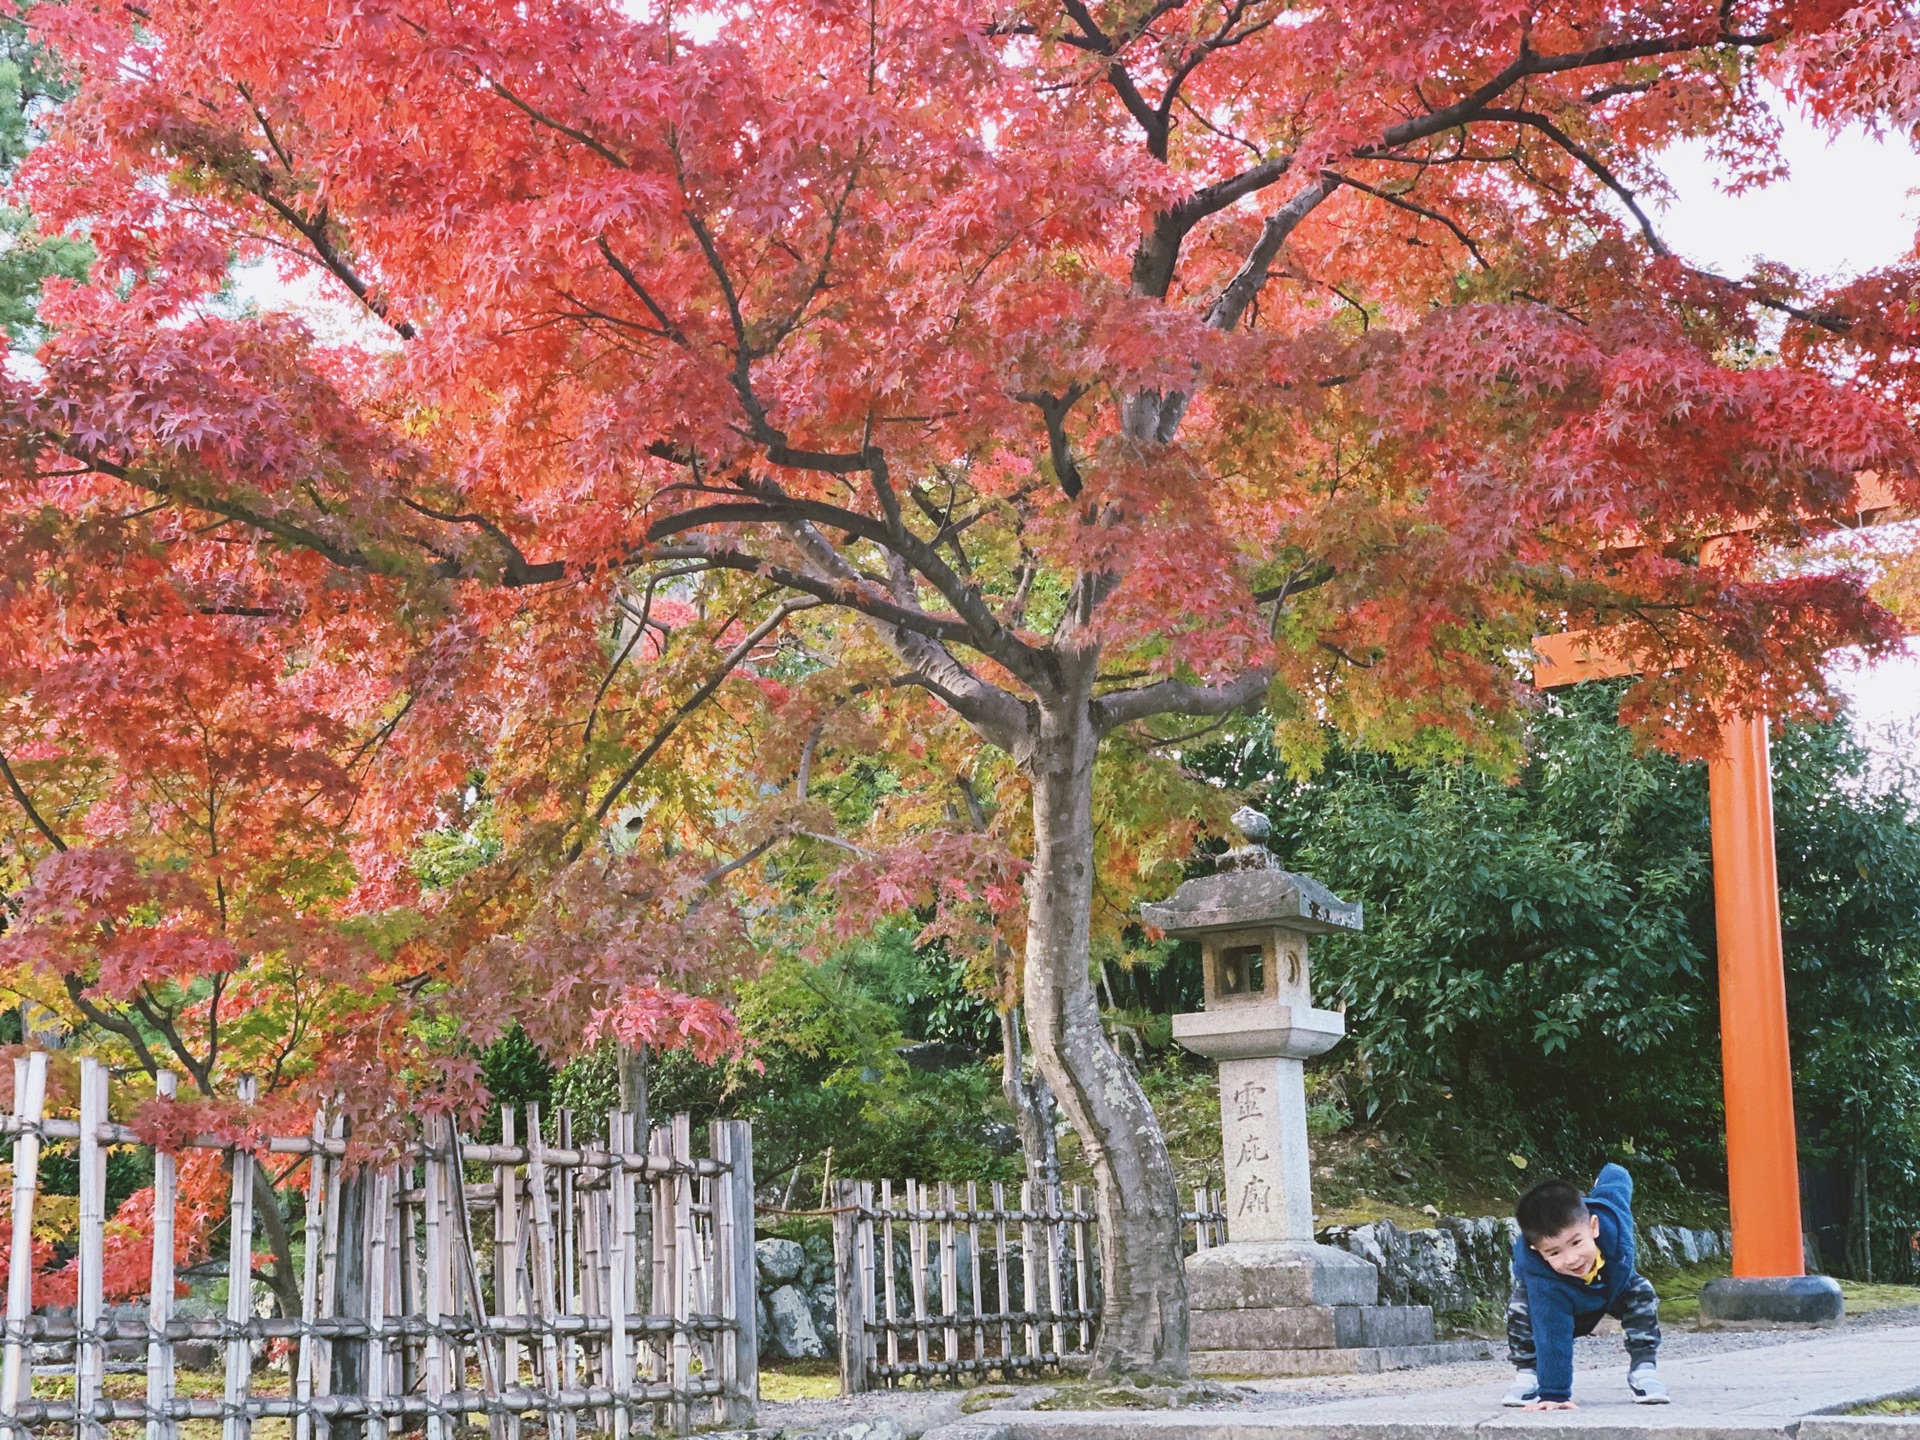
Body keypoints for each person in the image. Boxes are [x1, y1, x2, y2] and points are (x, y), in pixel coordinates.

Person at [1502, 1164, 1668, 1408]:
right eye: (1555, 1252)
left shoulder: (1614, 1217)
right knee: (1520, 1308)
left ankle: (1643, 1368)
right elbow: (1552, 1334)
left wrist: (1611, 1170)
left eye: (1576, 1242)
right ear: (1538, 1251)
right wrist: (1555, 1394)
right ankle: (1528, 1374)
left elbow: (1616, 1183)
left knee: (1641, 1292)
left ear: (1593, 1226)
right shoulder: (1543, 1280)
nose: (1571, 1259)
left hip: (1612, 1287)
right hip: (1561, 1300)